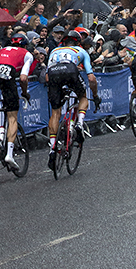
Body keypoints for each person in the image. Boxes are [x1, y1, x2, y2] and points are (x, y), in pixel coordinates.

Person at [45, 31, 99, 169]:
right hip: (70, 69)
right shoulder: (81, 50)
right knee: (82, 96)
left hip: (53, 73)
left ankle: (52, 148)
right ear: (78, 43)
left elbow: (46, 78)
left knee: (55, 112)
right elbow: (91, 78)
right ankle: (80, 123)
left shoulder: (54, 50)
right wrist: (96, 95)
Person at [0, 35, 35, 170]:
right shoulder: (27, 54)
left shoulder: (4, 49)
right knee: (12, 116)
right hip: (7, 75)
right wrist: (24, 93)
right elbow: (23, 78)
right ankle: (9, 155)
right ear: (25, 46)